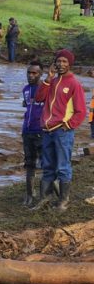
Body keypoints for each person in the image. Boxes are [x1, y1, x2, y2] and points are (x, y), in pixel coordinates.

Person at [31, 49, 87, 212]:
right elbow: (39, 98)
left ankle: (63, 201)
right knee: (47, 166)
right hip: (47, 131)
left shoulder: (74, 84)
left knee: (63, 166)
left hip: (62, 131)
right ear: (54, 63)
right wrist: (48, 79)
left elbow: (81, 111)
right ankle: (45, 199)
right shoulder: (53, 81)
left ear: (69, 64)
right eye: (59, 61)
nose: (61, 64)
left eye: (64, 61)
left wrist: (68, 125)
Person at [22, 62, 44, 207]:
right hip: (27, 132)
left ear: (40, 74)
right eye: (29, 72)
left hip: (42, 132)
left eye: (34, 73)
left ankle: (46, 196)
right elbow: (26, 105)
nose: (31, 75)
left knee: (46, 165)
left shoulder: (46, 89)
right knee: (29, 164)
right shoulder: (25, 89)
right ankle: (30, 194)